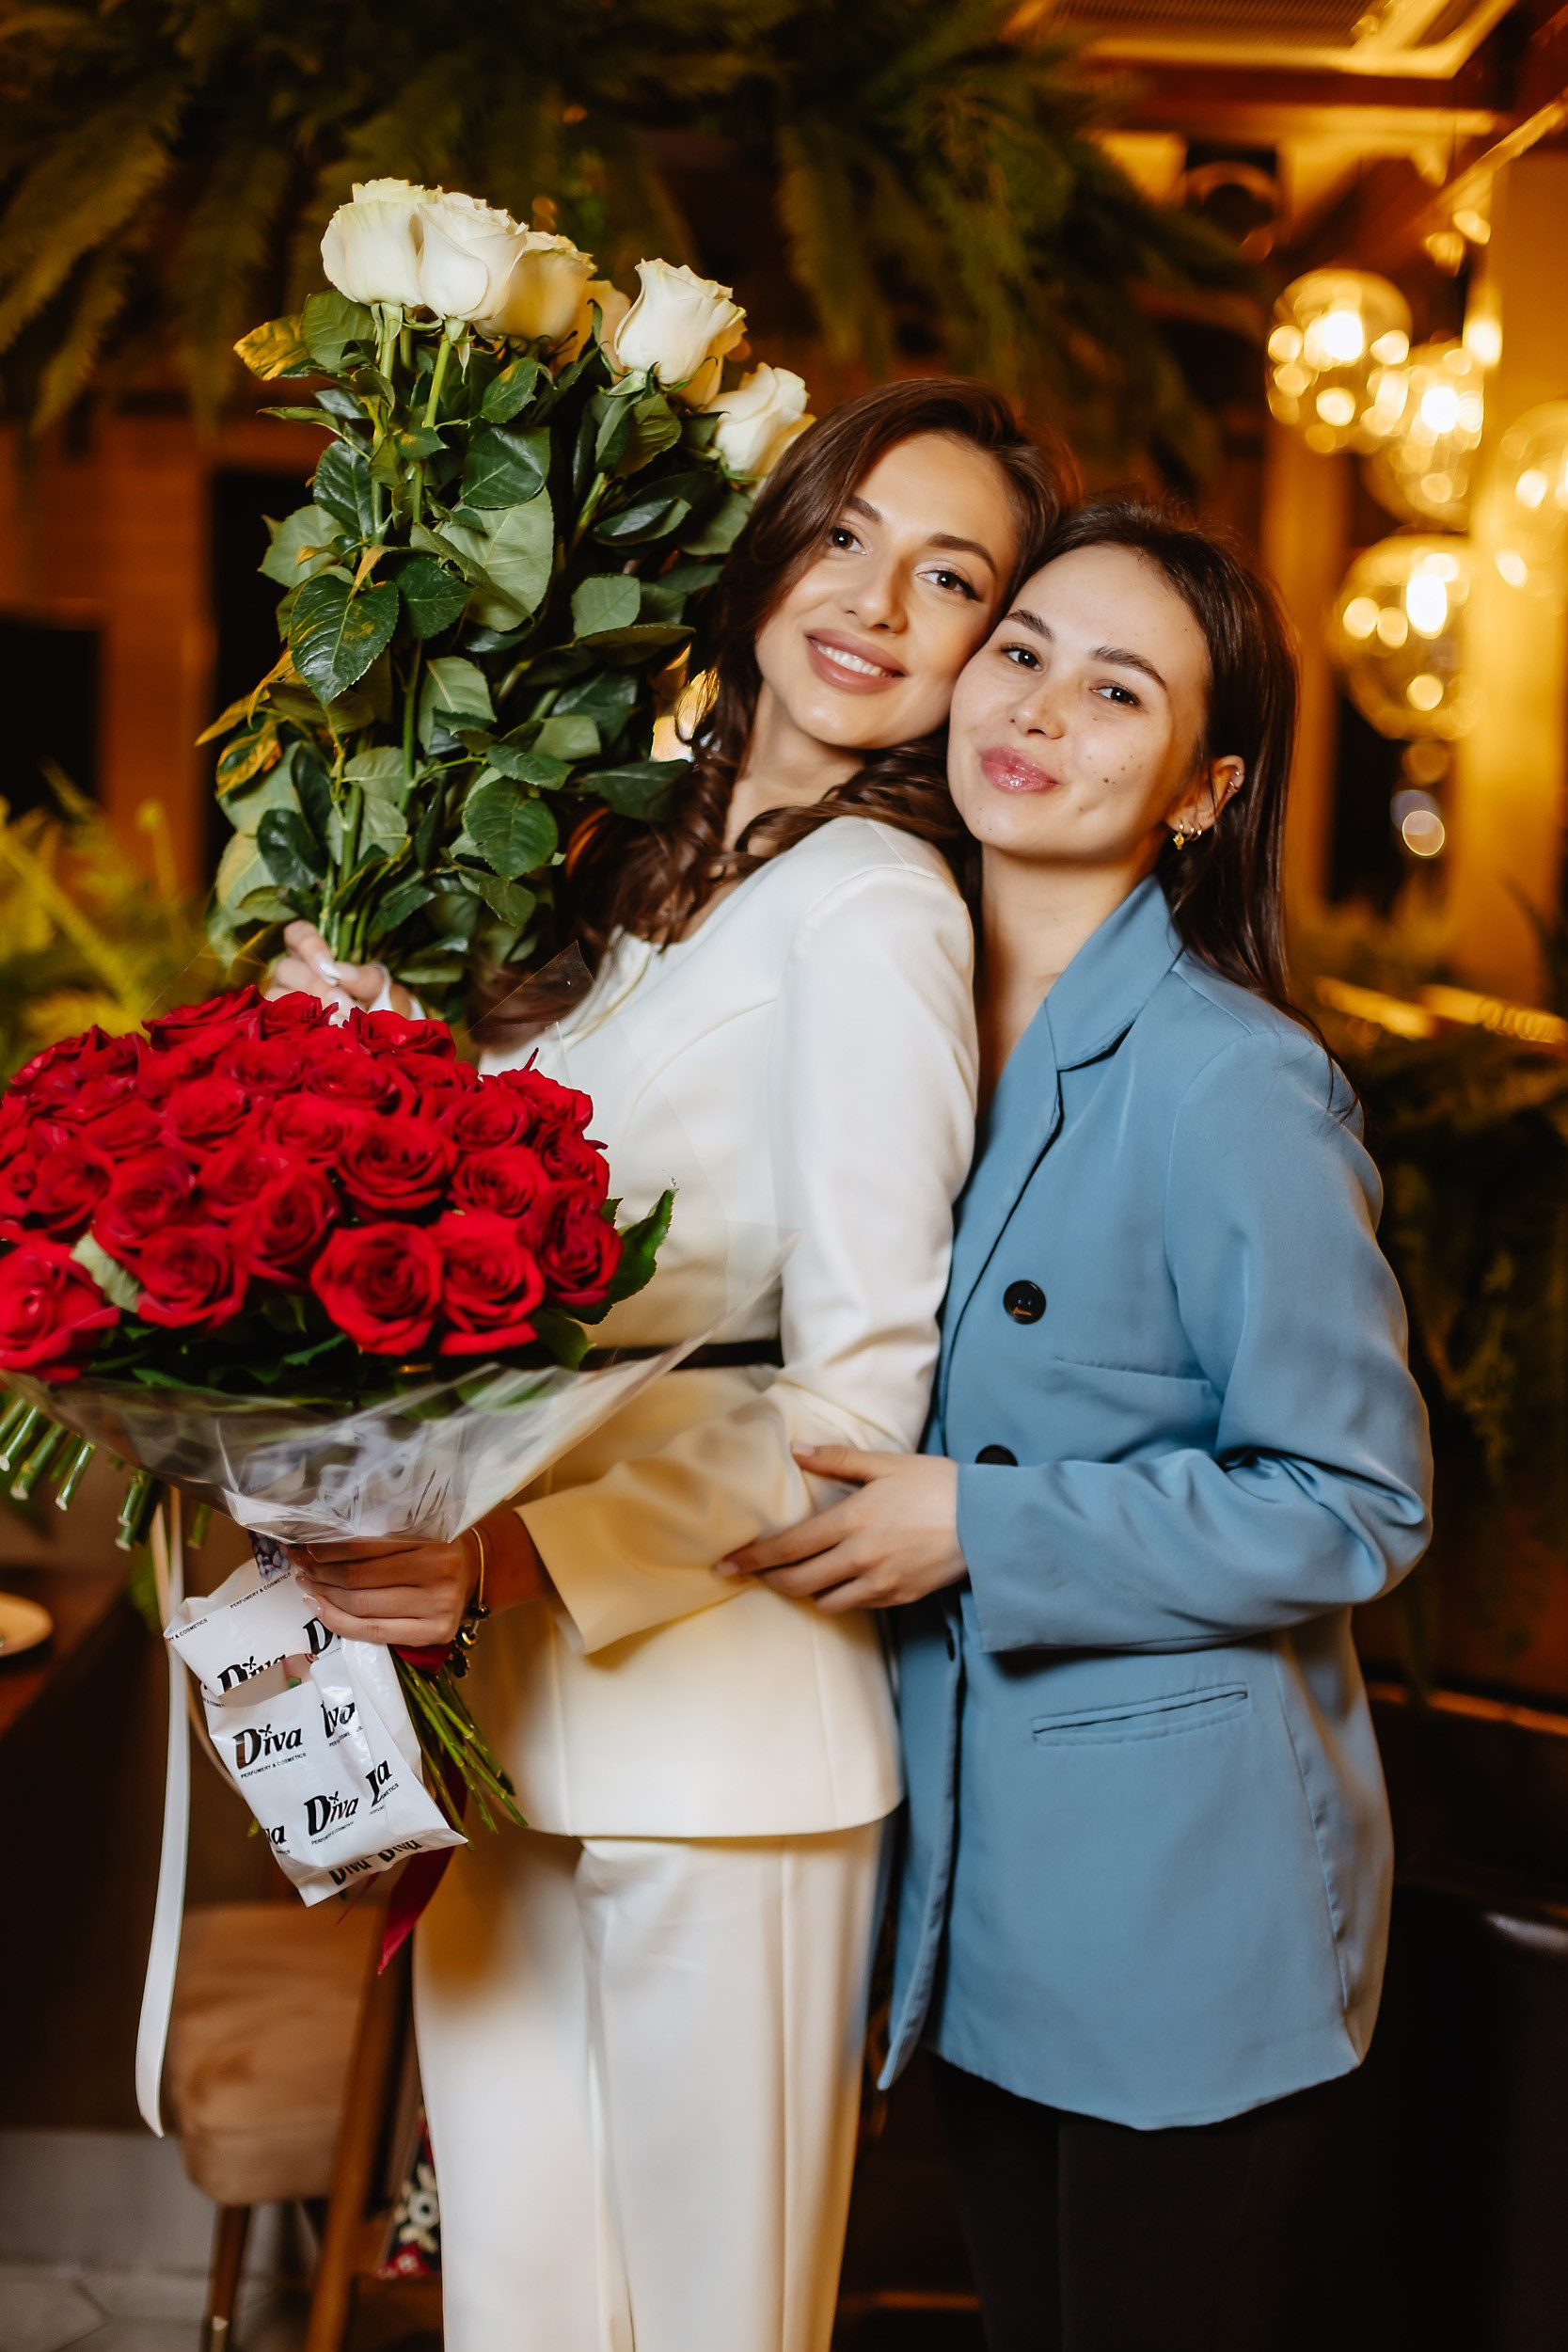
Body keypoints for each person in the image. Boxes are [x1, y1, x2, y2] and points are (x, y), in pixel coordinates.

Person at [274, 381, 1070, 2352]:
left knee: (713, 2324)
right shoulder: (620, 867)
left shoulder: (880, 910)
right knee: (521, 2312)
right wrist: (362, 1056)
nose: (874, 599)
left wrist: (517, 1560)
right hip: (501, 1722)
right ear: (772, 545)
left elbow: (855, 1407)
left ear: (993, 647)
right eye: (847, 534)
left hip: (725, 1746)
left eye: (950, 576)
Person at [725, 499, 1434, 2352]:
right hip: (975, 1893)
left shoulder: (1231, 1080)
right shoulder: (897, 1006)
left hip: (1182, 1912)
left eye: (1117, 690)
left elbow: (1355, 1500)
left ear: (1204, 790)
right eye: (1022, 651)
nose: (1036, 706)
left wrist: (986, 1522)